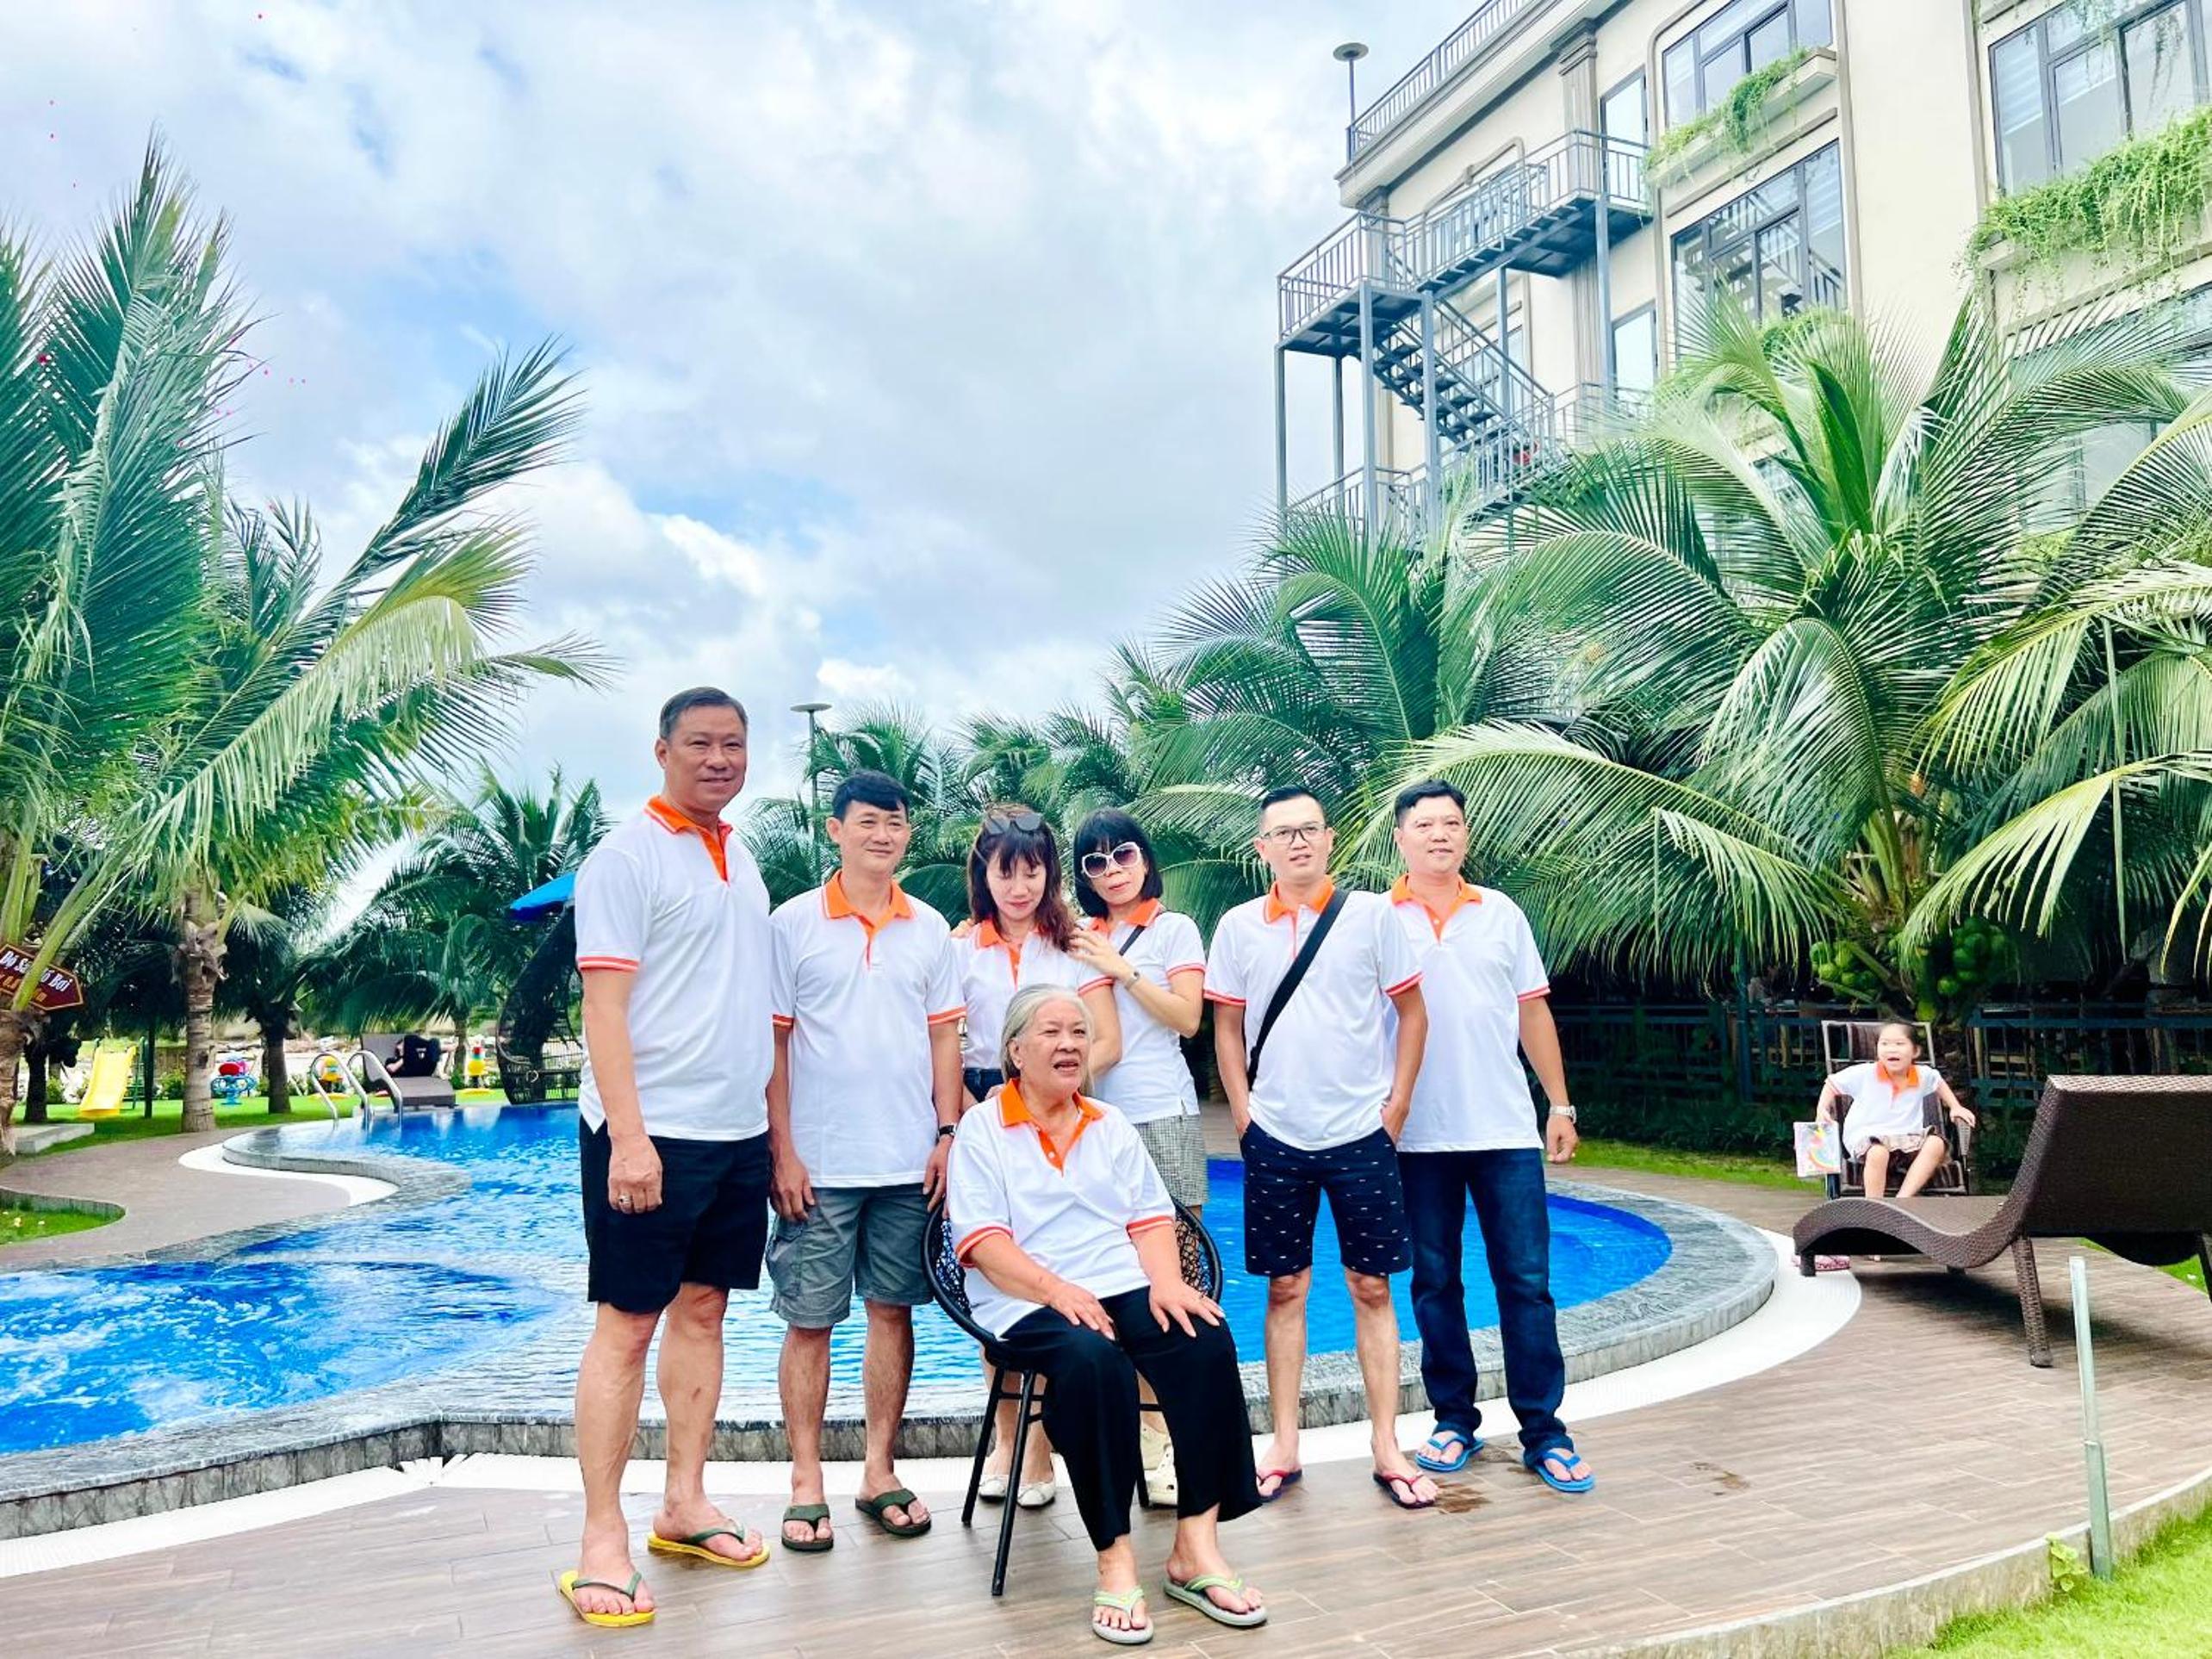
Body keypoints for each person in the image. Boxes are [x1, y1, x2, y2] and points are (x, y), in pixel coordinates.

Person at [948, 985, 1265, 1645]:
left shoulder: (1108, 1122)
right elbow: (982, 1241)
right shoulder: (983, 1128)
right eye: (1051, 1032)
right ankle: (1114, 1557)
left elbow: (1150, 1218)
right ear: (1015, 1051)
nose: (1069, 1045)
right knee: (1093, 1361)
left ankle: (1195, 1547)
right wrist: (1055, 1290)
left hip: (1118, 1283)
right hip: (1025, 1299)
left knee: (1204, 1337)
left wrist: (1168, 1284)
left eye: (1079, 1033)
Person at [560, 687, 775, 1631]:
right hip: (650, 1133)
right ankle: (600, 1538)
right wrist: (630, 1137)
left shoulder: (743, 857)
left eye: (734, 744)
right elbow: (604, 1009)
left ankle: (684, 1501)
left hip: (734, 1133)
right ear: (661, 751)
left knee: (704, 1311)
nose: (719, 758)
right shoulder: (626, 857)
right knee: (627, 1325)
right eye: (700, 743)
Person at [1205, 786, 1435, 1511]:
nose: (1298, 842)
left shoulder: (1372, 916)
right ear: (1262, 849)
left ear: (1330, 839)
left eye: (1309, 829)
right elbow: (1226, 1028)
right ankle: (1283, 1443)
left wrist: (1396, 1107)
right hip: (1276, 1135)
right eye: (1283, 833)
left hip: (1361, 1133)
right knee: (1285, 1289)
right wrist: (1244, 1113)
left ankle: (1387, 1444)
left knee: (1373, 1287)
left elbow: (1412, 1012)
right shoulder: (1239, 927)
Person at [767, 769, 965, 1552]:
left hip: (907, 1161)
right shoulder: (792, 924)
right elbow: (773, 1044)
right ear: (836, 829)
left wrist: (947, 1133)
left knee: (893, 1312)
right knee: (809, 1320)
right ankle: (805, 1479)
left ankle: (879, 1470)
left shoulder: (930, 928)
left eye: (896, 823)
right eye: (869, 822)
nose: (883, 835)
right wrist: (782, 1149)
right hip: (818, 1164)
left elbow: (944, 1038)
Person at [1388, 780, 1595, 1496]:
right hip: (1416, 1136)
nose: (1439, 834)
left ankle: (1545, 1432)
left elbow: (1532, 1012)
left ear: (1466, 836)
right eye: (1424, 825)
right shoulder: (1377, 920)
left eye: (1451, 823)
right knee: (1434, 1283)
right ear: (1401, 839)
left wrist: (1559, 1104)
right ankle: (1453, 1419)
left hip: (1505, 1130)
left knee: (1527, 1284)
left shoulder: (1501, 913)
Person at [960, 804, 1122, 1507]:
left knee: (1060, 1275)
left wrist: (1051, 1095)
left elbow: (1105, 1041)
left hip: (1060, 1117)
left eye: (1033, 872)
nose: (1020, 887)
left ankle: (1042, 1448)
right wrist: (975, 1119)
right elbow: (945, 1042)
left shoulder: (1074, 946)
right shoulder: (959, 948)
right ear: (985, 874)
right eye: (1006, 872)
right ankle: (1012, 1442)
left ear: (1050, 874)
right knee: (997, 1280)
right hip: (981, 1116)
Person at [1068, 807, 1209, 1505]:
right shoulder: (1079, 936)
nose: (1112, 870)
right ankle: (1147, 1442)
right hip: (1098, 1126)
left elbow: (1188, 1018)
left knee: (1179, 1282)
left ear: (1144, 858)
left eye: (1122, 854)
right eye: (1095, 862)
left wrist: (1124, 970)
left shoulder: (1173, 929)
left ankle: (1184, 1441)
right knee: (1116, 1283)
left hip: (1165, 1116)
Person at [1817, 1021, 1974, 1200]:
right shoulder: (1864, 1073)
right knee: (1878, 1153)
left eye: (1899, 1044)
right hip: (1868, 1138)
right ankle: (1874, 1205)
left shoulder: (1922, 1074)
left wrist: (1955, 1106)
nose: (1891, 1049)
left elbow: (1938, 1082)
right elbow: (1832, 1084)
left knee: (1936, 1143)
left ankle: (1903, 1199)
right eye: (1884, 1044)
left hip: (1908, 1138)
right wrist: (1822, 1109)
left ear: (1915, 1051)